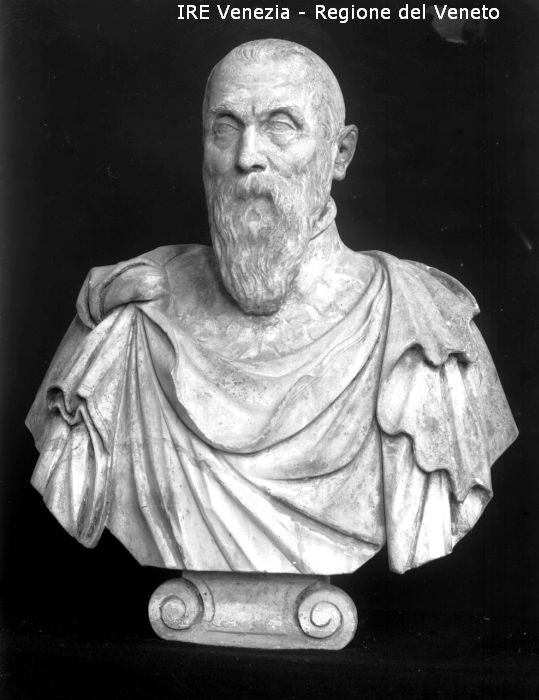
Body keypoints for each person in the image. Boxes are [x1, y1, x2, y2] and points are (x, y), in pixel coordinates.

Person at [27, 39, 517, 576]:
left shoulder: (422, 329)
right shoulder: (129, 317)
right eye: (225, 127)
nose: (246, 157)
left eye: (281, 126)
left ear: (340, 153)